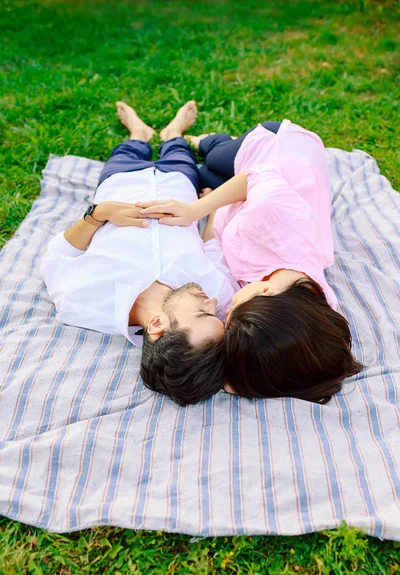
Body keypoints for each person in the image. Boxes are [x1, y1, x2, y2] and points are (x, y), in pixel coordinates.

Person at [138, 119, 364, 403]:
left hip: (240, 208)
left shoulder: (305, 310)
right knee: (215, 158)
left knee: (204, 177)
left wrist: (238, 379)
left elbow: (301, 359)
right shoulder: (277, 218)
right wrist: (195, 210)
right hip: (275, 149)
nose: (226, 307)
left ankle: (196, 151)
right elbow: (256, 175)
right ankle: (203, 139)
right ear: (265, 290)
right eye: (232, 310)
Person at [40, 101, 240, 405]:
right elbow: (213, 248)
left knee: (128, 150)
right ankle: (173, 132)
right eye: (216, 315)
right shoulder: (218, 295)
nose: (213, 302)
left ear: (157, 326)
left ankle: (139, 133)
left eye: (203, 313)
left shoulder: (80, 302)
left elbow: (59, 254)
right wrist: (211, 209)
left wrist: (100, 214)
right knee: (177, 151)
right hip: (178, 183)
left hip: (119, 184)